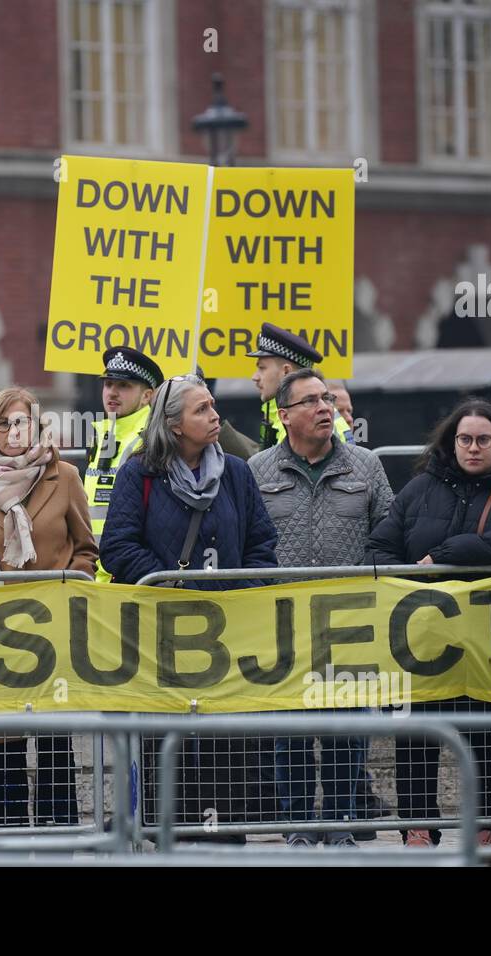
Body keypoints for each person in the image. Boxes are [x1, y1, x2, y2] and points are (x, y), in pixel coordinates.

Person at [365, 397, 491, 848]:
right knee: (415, 735)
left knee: (487, 734)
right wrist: (408, 577)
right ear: (452, 442)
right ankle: (417, 828)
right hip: (422, 637)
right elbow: (378, 548)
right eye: (464, 439)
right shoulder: (420, 489)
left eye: (483, 439)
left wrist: (443, 557)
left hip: (489, 640)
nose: (472, 447)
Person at [100, 374, 278, 839]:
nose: (214, 415)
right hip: (163, 634)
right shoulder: (139, 473)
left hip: (228, 635)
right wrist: (172, 585)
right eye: (201, 410)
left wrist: (246, 591)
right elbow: (117, 548)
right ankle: (172, 837)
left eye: (213, 406)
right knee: (166, 743)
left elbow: (261, 544)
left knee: (228, 745)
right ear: (175, 425)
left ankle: (228, 839)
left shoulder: (238, 472)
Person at [249, 368, 394, 848]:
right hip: (283, 621)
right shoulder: (258, 470)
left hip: (348, 618)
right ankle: (295, 825)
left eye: (327, 399)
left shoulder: (366, 465)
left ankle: (341, 823)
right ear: (284, 414)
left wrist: (368, 583)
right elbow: (249, 542)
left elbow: (387, 534)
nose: (325, 408)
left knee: (346, 728)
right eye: (311, 401)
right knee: (287, 728)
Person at [0, 387, 97, 826]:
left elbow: (87, 549)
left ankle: (59, 841)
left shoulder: (65, 477)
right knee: (5, 750)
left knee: (55, 745)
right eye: (3, 423)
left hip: (54, 631)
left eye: (22, 422)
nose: (14, 432)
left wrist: (70, 586)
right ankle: (8, 839)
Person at [83, 348, 163, 581]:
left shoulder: (152, 439)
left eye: (124, 386)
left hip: (129, 572)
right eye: (108, 384)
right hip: (97, 572)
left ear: (147, 396)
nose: (112, 393)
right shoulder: (101, 433)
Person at [249, 322, 354, 451]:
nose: (255, 377)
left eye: (261, 368)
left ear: (286, 371)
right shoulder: (286, 413)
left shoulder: (302, 420)